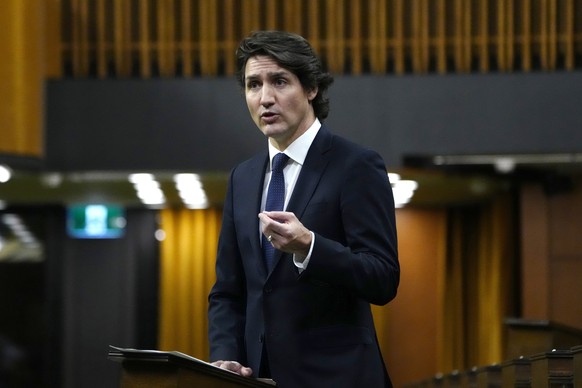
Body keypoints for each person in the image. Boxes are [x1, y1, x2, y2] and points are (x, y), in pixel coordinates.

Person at [208, 30, 400, 388]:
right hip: (258, 378)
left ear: (311, 88)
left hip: (338, 377)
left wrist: (310, 247)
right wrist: (227, 355)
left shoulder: (355, 165)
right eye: (253, 85)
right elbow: (228, 290)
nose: (265, 98)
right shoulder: (242, 178)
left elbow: (383, 277)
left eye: (279, 81)